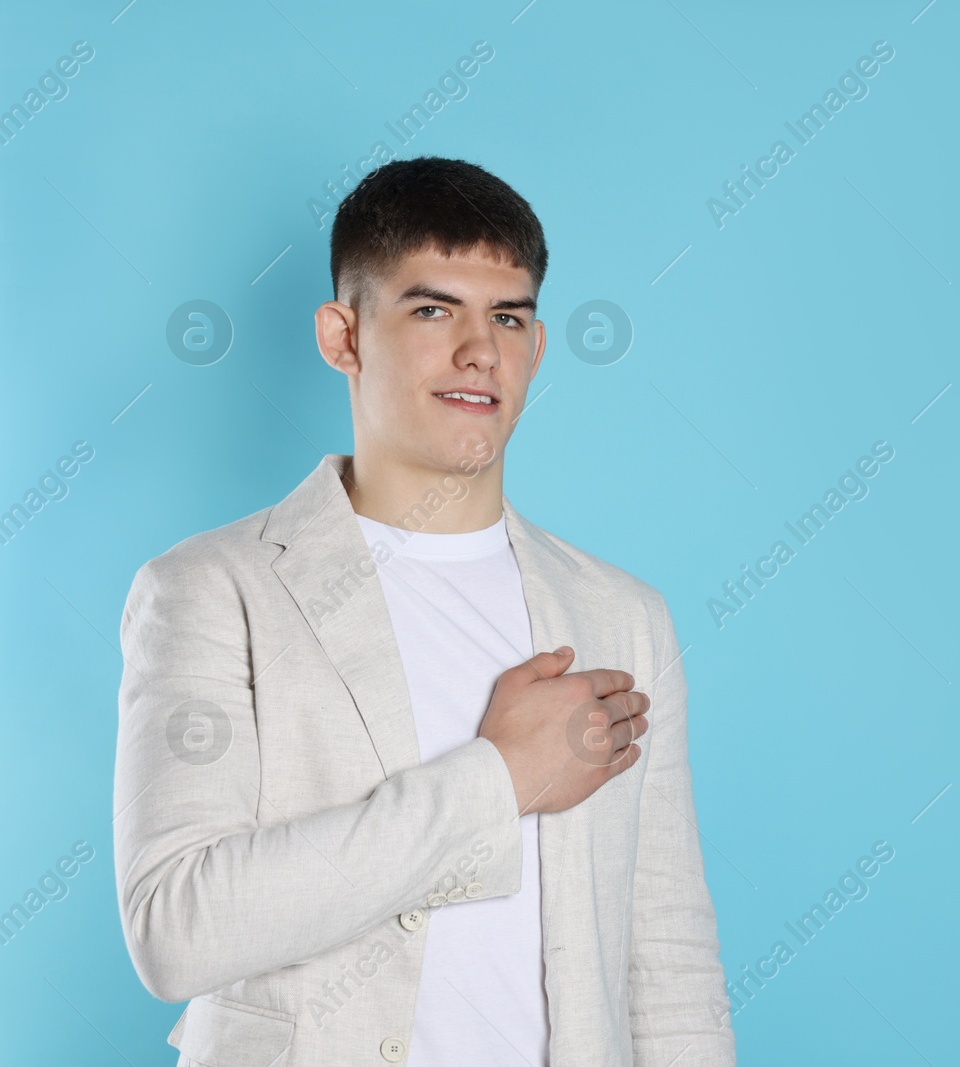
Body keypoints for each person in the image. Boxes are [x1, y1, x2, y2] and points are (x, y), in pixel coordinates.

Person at [112, 156, 736, 1066]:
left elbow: (669, 963)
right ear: (343, 335)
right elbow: (177, 925)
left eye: (509, 316)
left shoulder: (626, 617)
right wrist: (500, 776)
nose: (480, 349)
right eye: (433, 309)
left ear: (538, 346)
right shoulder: (212, 591)